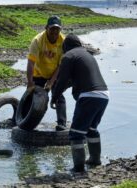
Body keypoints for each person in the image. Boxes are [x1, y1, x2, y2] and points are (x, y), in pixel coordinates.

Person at [51, 33, 109, 173]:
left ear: (66, 46)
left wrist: (54, 97)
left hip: (88, 96)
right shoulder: (87, 55)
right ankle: (95, 160)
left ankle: (78, 168)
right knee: (91, 130)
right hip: (104, 95)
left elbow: (62, 80)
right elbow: (73, 80)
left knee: (76, 134)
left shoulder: (68, 56)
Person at [27, 15, 67, 131]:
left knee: (59, 96)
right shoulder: (37, 40)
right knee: (31, 96)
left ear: (60, 29)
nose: (55, 31)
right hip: (38, 72)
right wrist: (30, 83)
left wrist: (51, 82)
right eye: (52, 28)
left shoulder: (63, 42)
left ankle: (62, 123)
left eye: (57, 29)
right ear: (46, 28)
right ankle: (21, 118)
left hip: (54, 72)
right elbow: (30, 63)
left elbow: (61, 65)